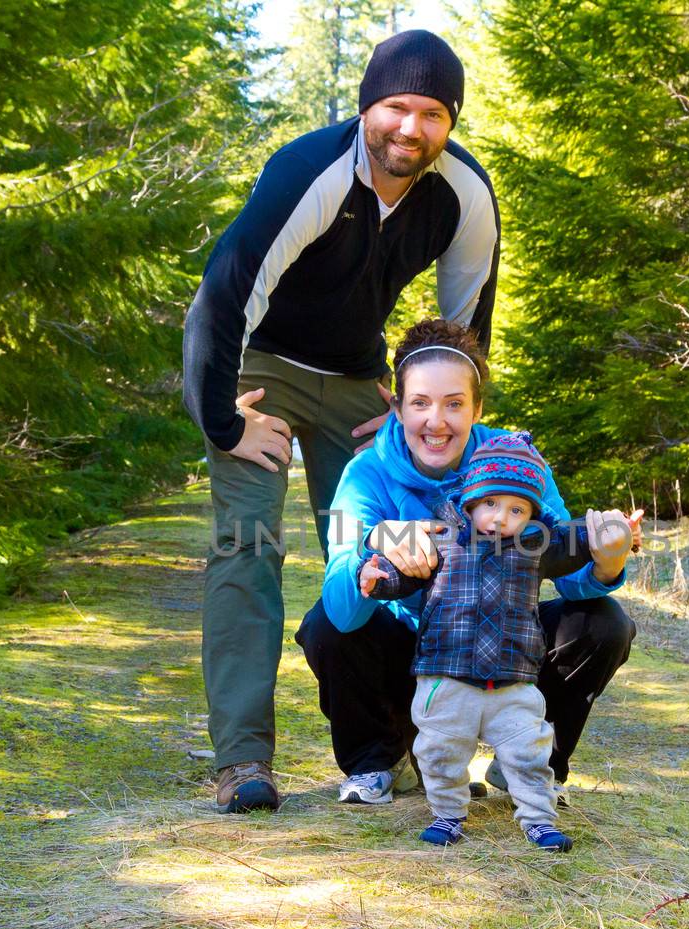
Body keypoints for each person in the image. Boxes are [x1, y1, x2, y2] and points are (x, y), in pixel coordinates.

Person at [180, 30, 500, 813]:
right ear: (367, 108)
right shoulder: (309, 173)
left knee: (398, 545)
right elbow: (221, 301)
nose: (410, 128)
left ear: (450, 121)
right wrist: (225, 424)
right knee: (247, 544)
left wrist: (422, 408)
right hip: (261, 369)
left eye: (431, 113)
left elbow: (465, 334)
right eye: (395, 106)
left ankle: (401, 740)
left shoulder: (463, 196)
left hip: (360, 379)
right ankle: (243, 760)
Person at [295, 319, 639, 808]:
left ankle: (530, 763)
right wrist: (375, 551)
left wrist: (606, 564)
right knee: (324, 626)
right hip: (413, 654)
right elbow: (342, 607)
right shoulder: (365, 474)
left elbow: (568, 577)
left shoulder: (518, 463)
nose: (436, 422)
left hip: (505, 640)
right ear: (396, 406)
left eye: (454, 404)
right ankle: (380, 757)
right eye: (420, 403)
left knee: (605, 623)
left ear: (477, 409)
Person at [357, 432, 637, 852]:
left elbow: (582, 538)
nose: (501, 517)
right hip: (446, 675)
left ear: (531, 514)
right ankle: (448, 814)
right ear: (470, 501)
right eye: (490, 503)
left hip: (514, 678)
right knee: (440, 752)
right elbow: (401, 573)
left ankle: (539, 819)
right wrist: (377, 578)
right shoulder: (441, 536)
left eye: (516, 509)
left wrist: (615, 531)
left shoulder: (538, 545)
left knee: (530, 753)